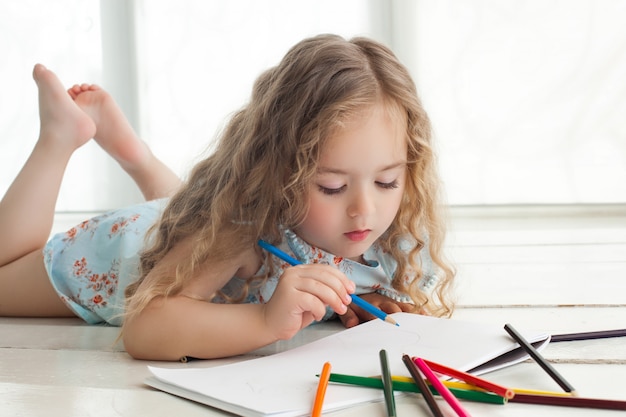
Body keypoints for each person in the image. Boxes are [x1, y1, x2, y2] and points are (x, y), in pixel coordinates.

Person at [0, 34, 455, 361]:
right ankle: (60, 136)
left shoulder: (382, 233)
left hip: (184, 230)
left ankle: (136, 155)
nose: (365, 210)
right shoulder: (237, 232)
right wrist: (263, 322)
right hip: (118, 252)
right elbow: (146, 328)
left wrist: (352, 301)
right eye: (332, 187)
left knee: (191, 215)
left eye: (387, 182)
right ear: (277, 173)